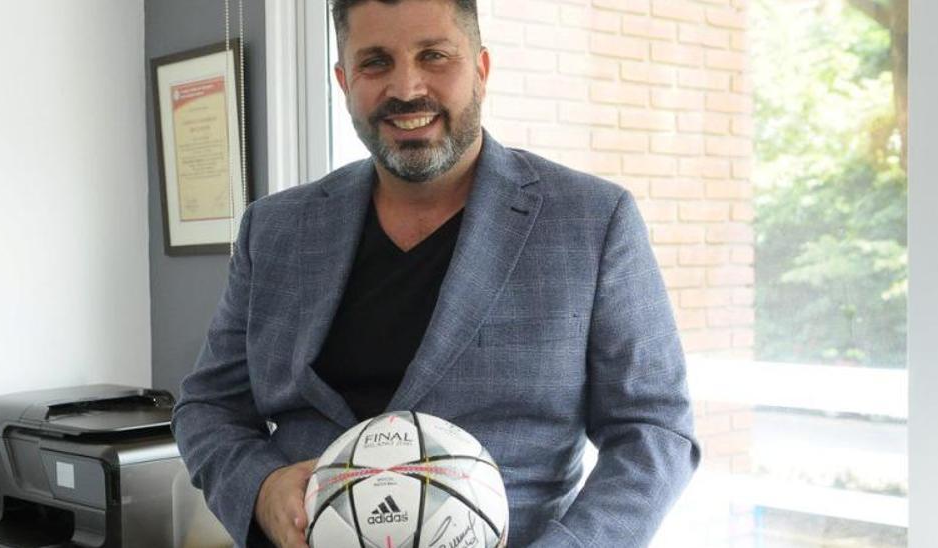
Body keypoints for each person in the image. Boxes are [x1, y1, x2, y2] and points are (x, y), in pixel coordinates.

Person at [172, 0, 700, 546]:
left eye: (435, 56)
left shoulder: (592, 220)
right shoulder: (275, 229)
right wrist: (260, 487)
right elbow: (208, 407)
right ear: (343, 81)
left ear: (482, 69)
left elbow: (655, 432)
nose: (407, 88)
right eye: (375, 63)